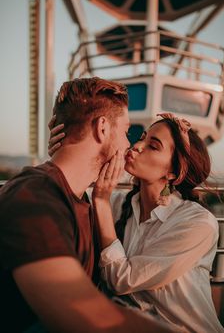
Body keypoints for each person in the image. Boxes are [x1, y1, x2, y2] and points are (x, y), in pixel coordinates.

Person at [0, 77, 173, 333]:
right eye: (126, 132)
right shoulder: (34, 194)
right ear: (102, 128)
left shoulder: (79, 200)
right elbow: (82, 316)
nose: (129, 145)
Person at [48, 112, 224, 332]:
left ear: (173, 173)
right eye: (142, 137)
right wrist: (64, 154)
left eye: (153, 146)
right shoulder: (120, 204)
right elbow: (70, 199)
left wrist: (101, 201)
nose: (138, 146)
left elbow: (122, 280)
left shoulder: (197, 223)